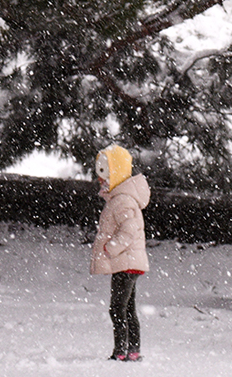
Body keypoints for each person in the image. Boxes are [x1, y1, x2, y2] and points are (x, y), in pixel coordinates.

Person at [89, 144, 150, 362]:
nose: (101, 181)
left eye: (105, 176)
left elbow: (130, 228)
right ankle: (132, 350)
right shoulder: (119, 199)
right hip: (128, 262)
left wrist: (110, 248)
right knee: (127, 308)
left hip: (125, 262)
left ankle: (121, 352)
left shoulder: (123, 200)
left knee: (117, 309)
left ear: (117, 173)